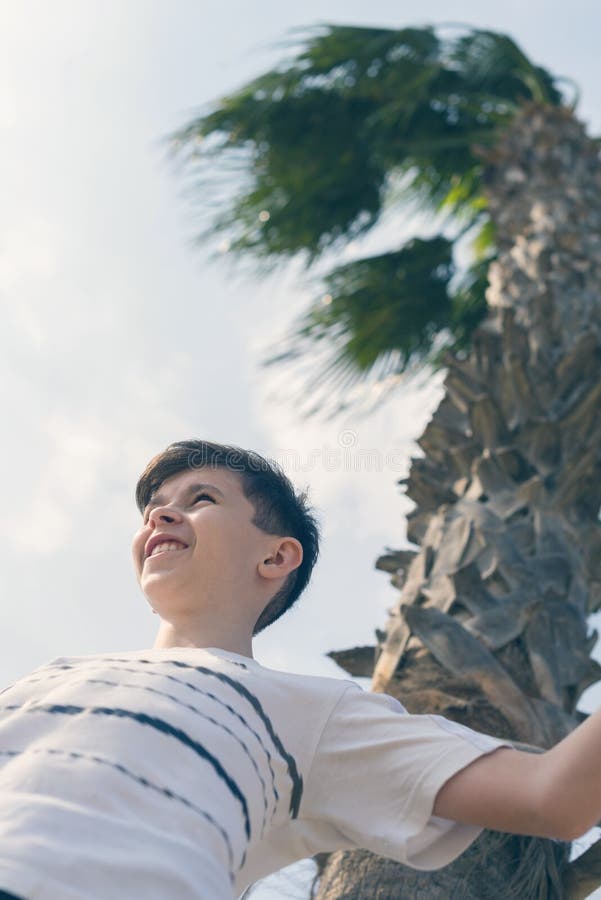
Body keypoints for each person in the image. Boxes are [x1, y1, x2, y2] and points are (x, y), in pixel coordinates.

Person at [0, 439, 596, 900]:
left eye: (200, 499)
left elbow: (551, 798)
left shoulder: (311, 714)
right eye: (154, 510)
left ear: (276, 555)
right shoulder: (47, 676)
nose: (160, 518)